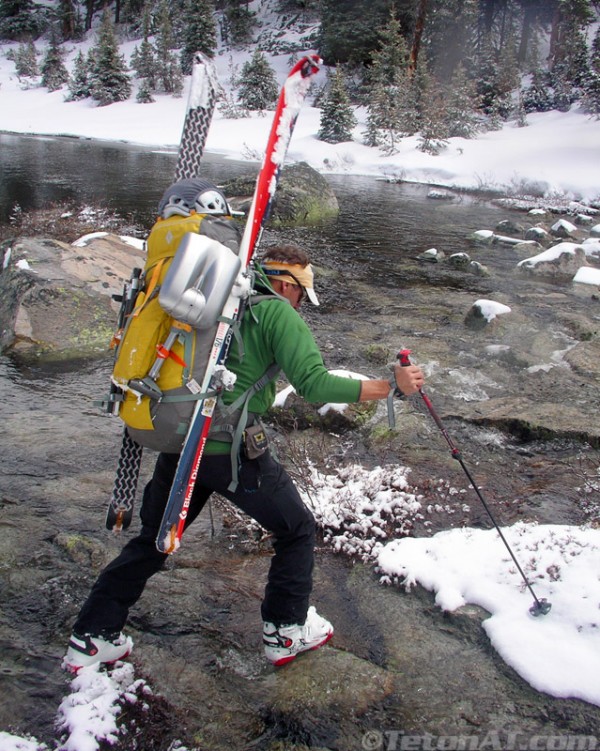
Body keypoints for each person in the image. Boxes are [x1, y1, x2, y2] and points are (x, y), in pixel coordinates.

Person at [63, 185, 425, 672]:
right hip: (228, 452)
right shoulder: (277, 312)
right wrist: (391, 388)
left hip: (184, 435)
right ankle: (285, 631)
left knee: (154, 539)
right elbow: (314, 385)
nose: (300, 303)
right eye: (301, 293)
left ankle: (92, 634)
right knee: (297, 530)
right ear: (290, 284)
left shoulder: (219, 299)